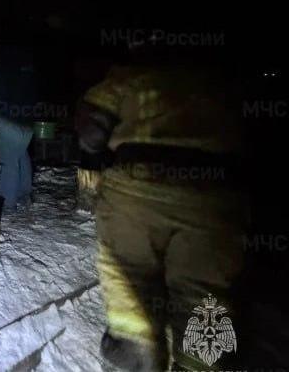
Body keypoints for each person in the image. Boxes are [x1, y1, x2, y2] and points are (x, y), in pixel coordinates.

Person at [76, 59, 245, 371]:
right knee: (203, 295)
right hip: (212, 196)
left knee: (129, 272)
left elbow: (91, 129)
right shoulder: (223, 76)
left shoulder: (134, 71)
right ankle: (199, 361)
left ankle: (135, 341)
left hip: (138, 187)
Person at [0, 42, 38, 212]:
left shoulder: (2, 71)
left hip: (10, 120)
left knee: (8, 161)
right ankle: (24, 193)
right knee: (21, 154)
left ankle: (7, 202)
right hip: (27, 120)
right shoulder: (26, 70)